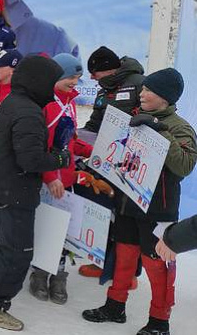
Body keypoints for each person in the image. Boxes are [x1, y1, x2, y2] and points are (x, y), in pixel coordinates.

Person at [83, 68, 197, 335]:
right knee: (124, 257)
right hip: (127, 202)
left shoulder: (181, 128)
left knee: (158, 265)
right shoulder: (134, 116)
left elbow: (184, 166)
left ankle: (159, 321)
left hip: (158, 209)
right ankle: (115, 305)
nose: (142, 93)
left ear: (165, 97)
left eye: (148, 90)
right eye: (143, 88)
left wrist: (161, 133)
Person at [0, 55, 69, 331]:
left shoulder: (14, 102)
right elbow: (30, 160)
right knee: (19, 252)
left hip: (2, 185)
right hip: (14, 190)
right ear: (39, 82)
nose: (53, 89)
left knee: (9, 240)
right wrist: (60, 158)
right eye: (51, 83)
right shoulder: (29, 113)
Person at [28, 53, 93, 305]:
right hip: (49, 180)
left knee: (64, 231)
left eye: (78, 77)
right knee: (47, 228)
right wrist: (50, 176)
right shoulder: (47, 104)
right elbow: (42, 145)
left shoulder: (70, 103)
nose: (75, 81)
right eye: (70, 77)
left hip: (66, 179)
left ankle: (59, 275)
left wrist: (91, 152)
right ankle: (40, 273)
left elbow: (70, 140)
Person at [78, 46, 145, 280]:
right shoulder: (104, 90)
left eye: (95, 73)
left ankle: (129, 273)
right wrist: (78, 138)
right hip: (106, 160)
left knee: (127, 217)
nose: (92, 79)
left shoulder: (138, 83)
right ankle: (105, 260)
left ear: (107, 69)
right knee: (104, 207)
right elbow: (95, 123)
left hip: (131, 164)